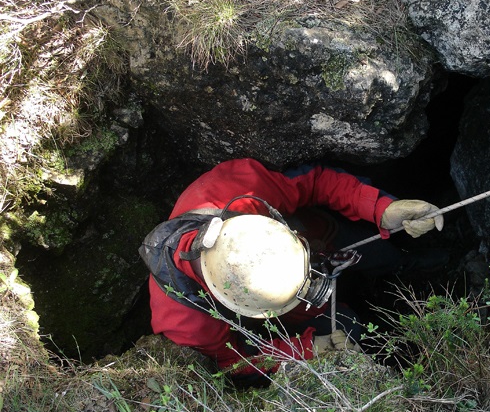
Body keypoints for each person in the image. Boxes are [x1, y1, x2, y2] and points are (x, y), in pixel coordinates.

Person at [139, 158, 444, 382]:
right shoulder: (186, 324)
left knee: (379, 253)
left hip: (323, 240)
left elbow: (315, 182)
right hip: (300, 315)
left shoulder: (234, 190)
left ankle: (407, 265)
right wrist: (307, 349)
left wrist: (381, 209)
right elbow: (236, 361)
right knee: (354, 334)